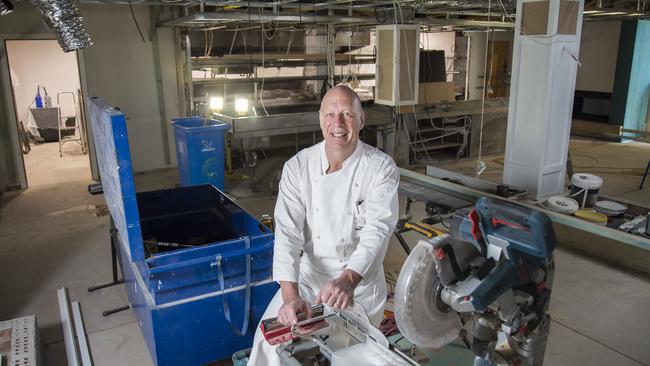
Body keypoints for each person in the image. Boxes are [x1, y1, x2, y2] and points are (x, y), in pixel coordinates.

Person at [247, 85, 399, 365]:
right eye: (330, 114)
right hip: (310, 276)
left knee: (345, 356)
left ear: (361, 119)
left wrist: (349, 279)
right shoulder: (298, 168)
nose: (337, 124)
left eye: (346, 114)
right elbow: (288, 235)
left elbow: (377, 231)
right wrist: (290, 296)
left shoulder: (380, 168)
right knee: (269, 345)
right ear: (320, 120)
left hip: (359, 284)